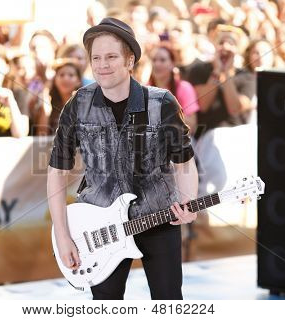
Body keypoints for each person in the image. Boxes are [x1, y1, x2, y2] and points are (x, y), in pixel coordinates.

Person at [47, 17, 198, 300]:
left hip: (158, 220)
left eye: (112, 56)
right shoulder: (78, 104)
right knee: (105, 306)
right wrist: (63, 235)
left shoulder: (162, 102)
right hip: (99, 229)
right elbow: (56, 171)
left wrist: (189, 201)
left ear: (130, 61)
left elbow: (184, 161)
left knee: (168, 302)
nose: (102, 64)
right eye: (97, 58)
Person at [185, 24, 254, 137]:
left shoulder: (247, 76)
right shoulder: (198, 70)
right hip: (205, 135)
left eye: (231, 44)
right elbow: (203, 105)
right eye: (221, 43)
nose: (225, 47)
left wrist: (226, 73)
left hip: (235, 134)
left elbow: (235, 108)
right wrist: (217, 71)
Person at [148, 43, 199, 134]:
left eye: (162, 60)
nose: (157, 64)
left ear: (172, 64)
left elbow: (192, 127)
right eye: (154, 60)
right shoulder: (144, 90)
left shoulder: (184, 88)